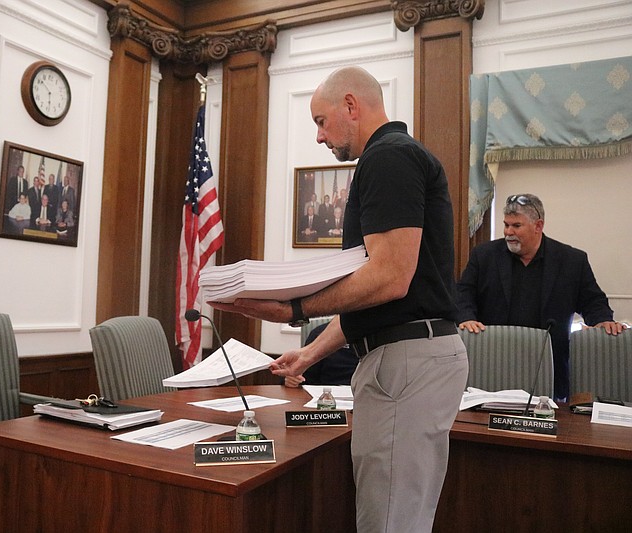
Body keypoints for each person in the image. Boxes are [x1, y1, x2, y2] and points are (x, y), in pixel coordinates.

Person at [210, 66, 467, 533]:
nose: (319, 136)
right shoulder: (395, 157)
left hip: (405, 362)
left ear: (351, 106)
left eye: (321, 121)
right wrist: (307, 353)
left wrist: (292, 308)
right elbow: (379, 303)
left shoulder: (388, 158)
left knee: (389, 523)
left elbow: (389, 279)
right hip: (408, 354)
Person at [456, 193, 626, 401]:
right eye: (506, 225)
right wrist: (465, 317)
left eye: (516, 226)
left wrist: (603, 321)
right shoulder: (484, 256)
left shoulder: (572, 261)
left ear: (538, 226)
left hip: (549, 368)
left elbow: (593, 301)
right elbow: (464, 293)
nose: (508, 232)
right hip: (494, 363)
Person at [283, 322, 358, 387]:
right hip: (326, 394)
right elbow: (305, 378)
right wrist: (292, 380)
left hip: (364, 393)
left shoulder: (368, 334)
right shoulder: (320, 334)